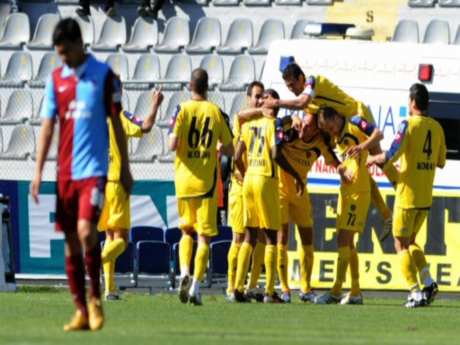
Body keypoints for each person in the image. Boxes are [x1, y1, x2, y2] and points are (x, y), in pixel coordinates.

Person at [31, 18, 132, 331]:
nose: (62, 59)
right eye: (58, 54)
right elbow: (48, 126)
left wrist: (126, 167)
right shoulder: (55, 80)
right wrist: (38, 171)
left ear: (78, 44)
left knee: (88, 232)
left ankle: (96, 298)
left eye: (65, 52)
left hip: (94, 172)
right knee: (71, 244)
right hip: (66, 175)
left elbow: (117, 124)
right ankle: (81, 310)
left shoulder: (103, 77)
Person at [264, 62, 396, 236]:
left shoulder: (313, 81)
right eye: (288, 87)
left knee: (378, 158)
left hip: (355, 115)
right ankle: (387, 215)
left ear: (301, 78)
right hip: (341, 129)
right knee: (358, 170)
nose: (291, 89)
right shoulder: (308, 104)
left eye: (292, 84)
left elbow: (302, 101)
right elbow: (306, 114)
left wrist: (277, 102)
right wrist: (296, 119)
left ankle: (400, 195)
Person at [367, 84, 446, 308]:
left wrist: (372, 159)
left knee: (400, 244)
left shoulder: (407, 124)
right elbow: (440, 161)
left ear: (412, 102)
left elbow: (390, 154)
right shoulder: (437, 128)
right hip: (425, 199)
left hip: (407, 197)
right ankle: (429, 283)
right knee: (411, 242)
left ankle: (414, 292)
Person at [169, 68, 234, 306]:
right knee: (204, 237)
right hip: (206, 183)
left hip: (184, 181)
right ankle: (195, 286)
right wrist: (216, 147)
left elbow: (172, 144)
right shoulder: (215, 111)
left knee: (186, 231)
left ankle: (184, 271)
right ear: (208, 87)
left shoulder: (182, 109)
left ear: (190, 85)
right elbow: (230, 148)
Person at [99, 88, 163, 301]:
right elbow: (145, 127)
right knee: (122, 240)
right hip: (117, 182)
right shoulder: (120, 115)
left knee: (110, 236)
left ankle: (110, 289)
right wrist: (155, 103)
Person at [314, 106, 383, 305]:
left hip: (358, 192)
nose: (332, 132)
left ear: (336, 117)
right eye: (328, 129)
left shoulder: (354, 123)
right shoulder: (336, 137)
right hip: (346, 191)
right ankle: (355, 292)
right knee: (347, 243)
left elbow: (378, 134)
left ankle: (336, 290)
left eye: (331, 126)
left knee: (343, 241)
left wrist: (363, 146)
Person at [274, 114, 341, 303]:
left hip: (301, 191)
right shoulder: (290, 131)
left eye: (308, 126)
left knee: (307, 239)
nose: (303, 129)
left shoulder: (321, 143)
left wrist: (345, 171)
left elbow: (335, 161)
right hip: (280, 190)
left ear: (317, 129)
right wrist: (289, 117)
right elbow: (274, 131)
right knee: (282, 237)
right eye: (302, 123)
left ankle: (305, 288)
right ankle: (285, 288)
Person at [233, 89, 282, 303]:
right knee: (271, 236)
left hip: (249, 180)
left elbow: (235, 156)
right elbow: (275, 154)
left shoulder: (248, 125)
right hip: (265, 180)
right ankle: (270, 292)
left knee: (249, 236)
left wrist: (245, 173)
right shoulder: (272, 125)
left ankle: (237, 288)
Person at [226, 81, 264, 301]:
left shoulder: (264, 122)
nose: (259, 100)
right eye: (256, 96)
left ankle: (248, 286)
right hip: (240, 187)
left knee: (257, 237)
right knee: (238, 238)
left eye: (262, 97)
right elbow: (239, 116)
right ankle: (232, 286)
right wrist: (263, 108)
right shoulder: (242, 120)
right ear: (248, 97)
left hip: (256, 188)